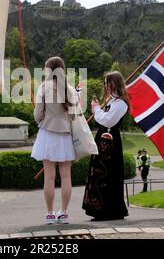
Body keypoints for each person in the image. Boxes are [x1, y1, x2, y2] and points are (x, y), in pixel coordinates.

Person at [32, 57, 77, 224]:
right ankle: (64, 213)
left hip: (48, 133)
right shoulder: (70, 89)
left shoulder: (43, 88)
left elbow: (37, 115)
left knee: (49, 177)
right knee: (66, 176)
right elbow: (74, 116)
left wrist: (43, 121)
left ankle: (50, 214)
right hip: (65, 134)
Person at [82, 71, 129, 221]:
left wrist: (96, 109)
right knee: (99, 174)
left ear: (113, 84)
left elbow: (108, 121)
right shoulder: (111, 101)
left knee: (108, 175)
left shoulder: (121, 103)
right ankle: (99, 209)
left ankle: (110, 210)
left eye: (106, 83)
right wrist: (99, 108)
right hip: (103, 142)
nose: (104, 86)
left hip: (110, 144)